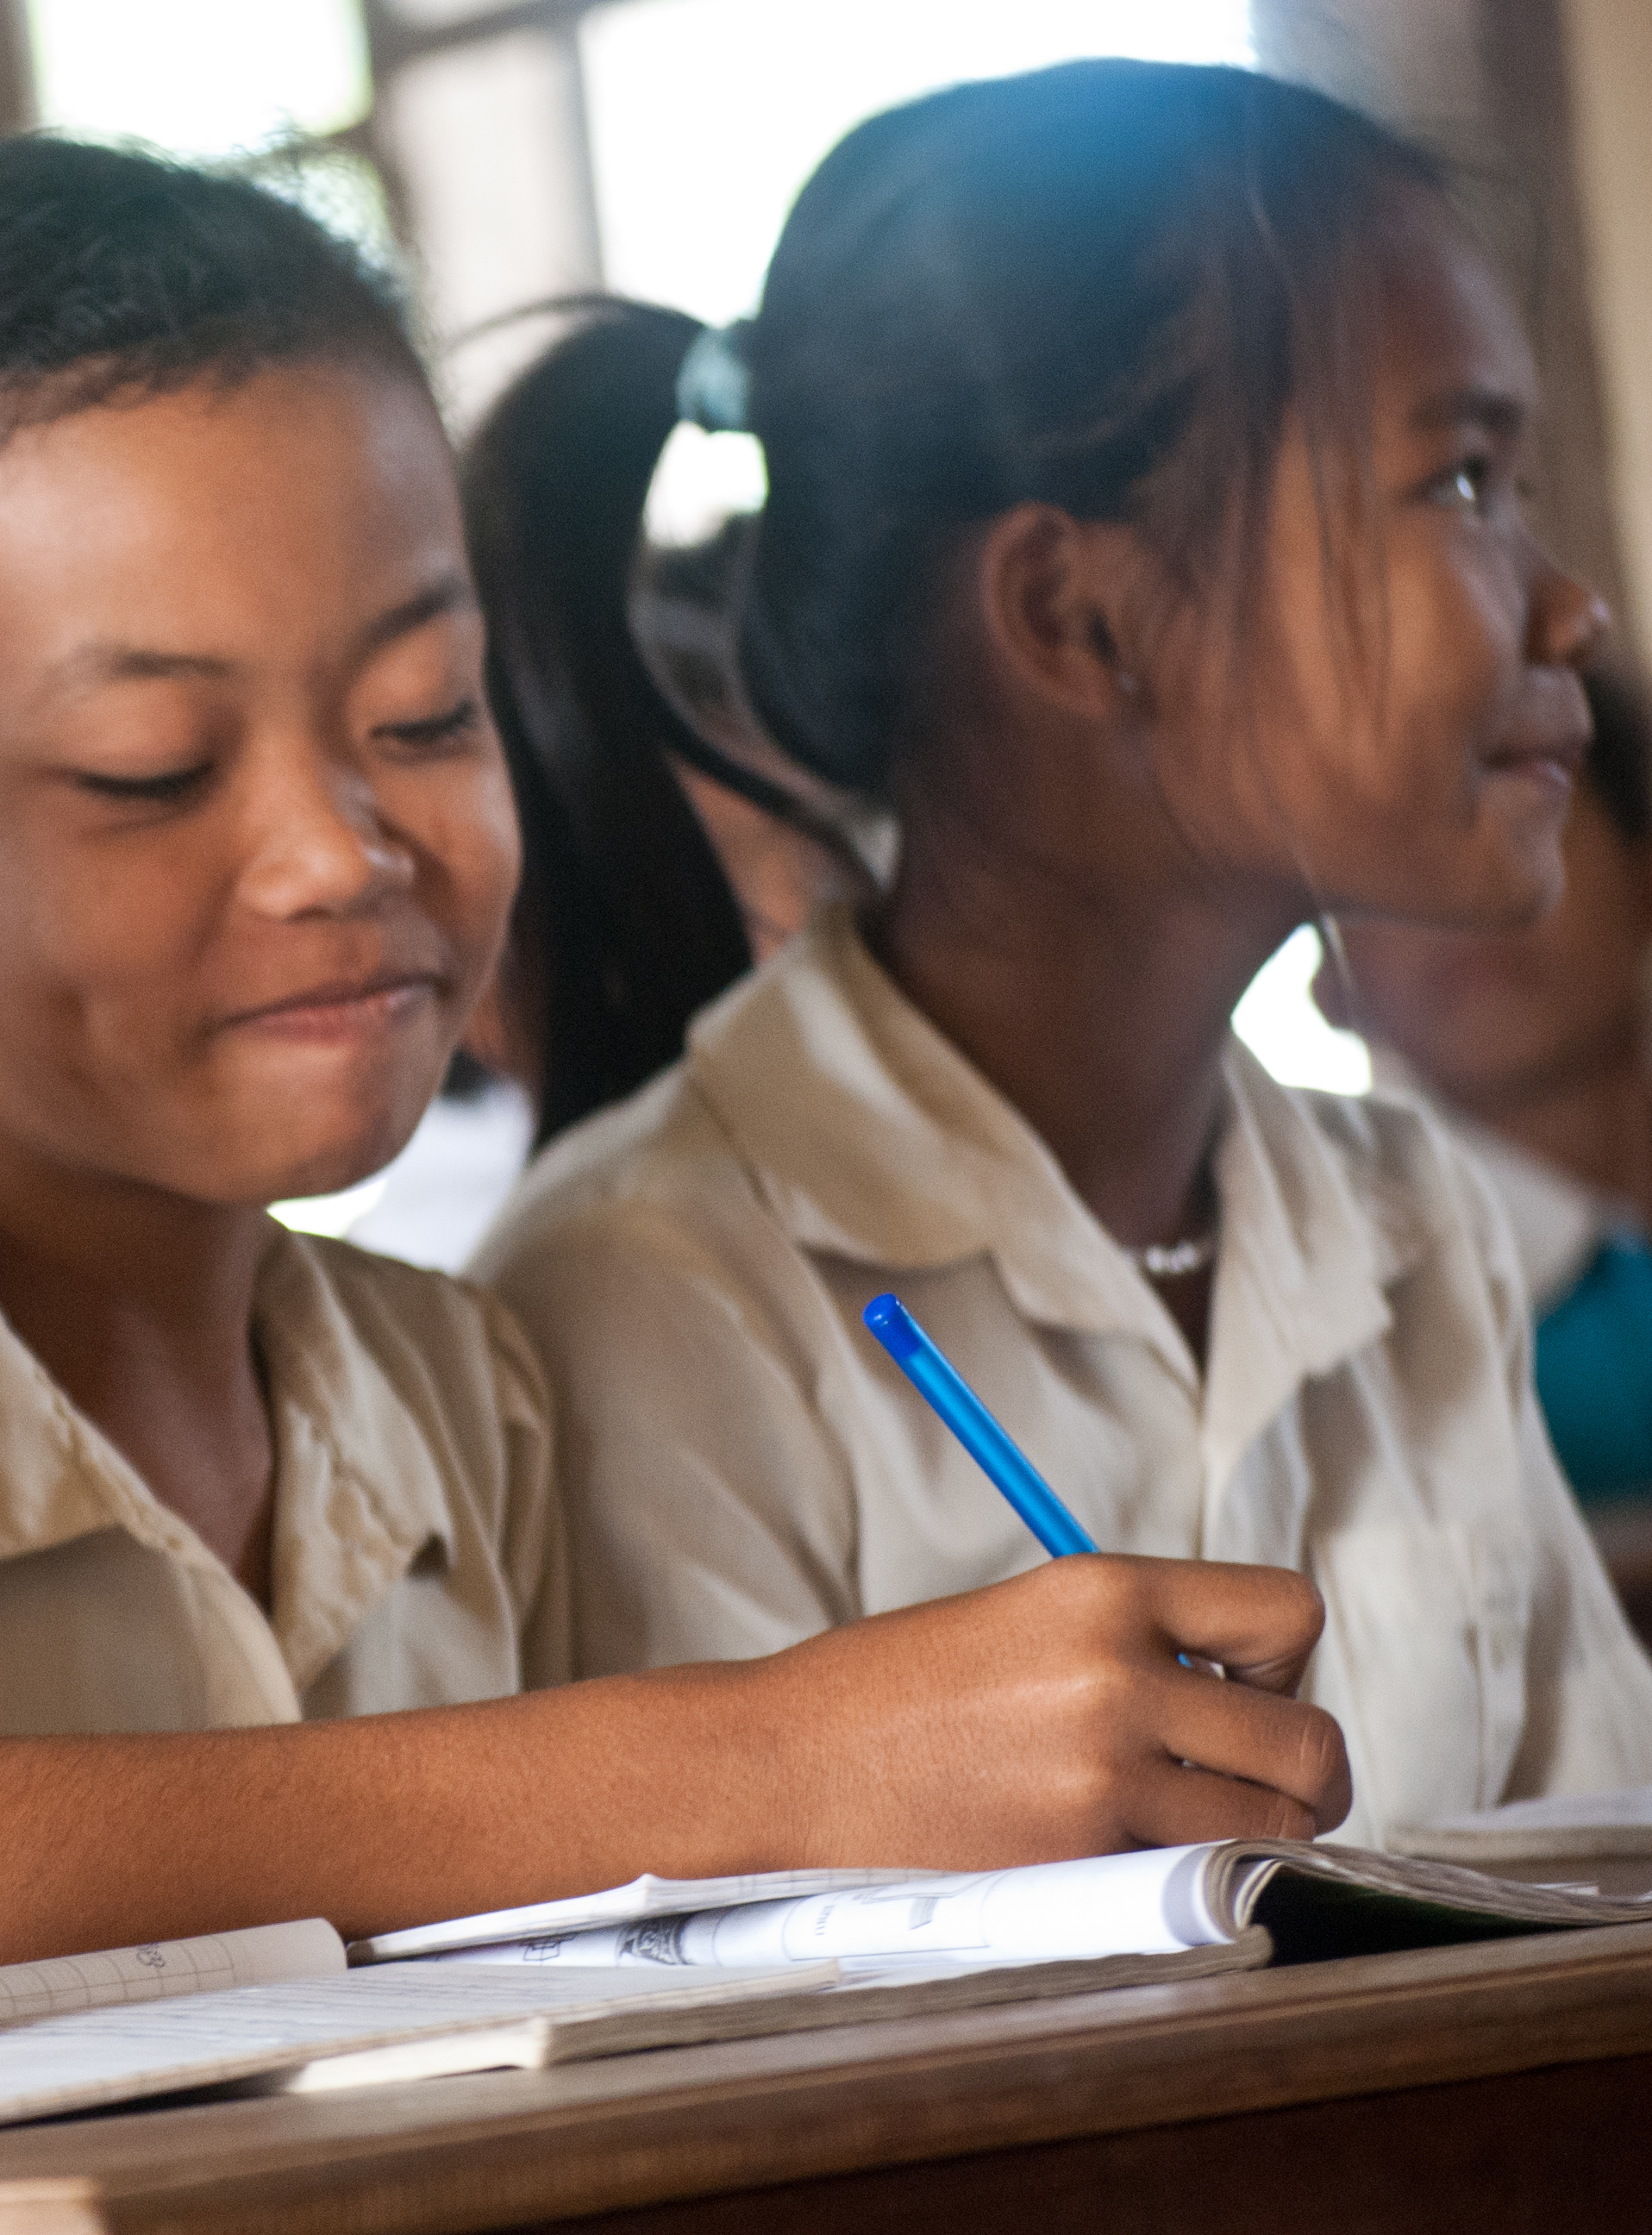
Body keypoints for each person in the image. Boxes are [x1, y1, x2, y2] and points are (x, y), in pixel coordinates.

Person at [0, 136, 1349, 1988]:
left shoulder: (459, 1399)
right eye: (153, 772)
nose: (340, 852)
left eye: (423, 716)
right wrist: (749, 1762)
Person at [461, 61, 1652, 1848]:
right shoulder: (659, 1305)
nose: (1574, 606)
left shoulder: (1413, 1226)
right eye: (1462, 481)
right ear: (1071, 614)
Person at [1324, 669, 1652, 1509]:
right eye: (1388, 864)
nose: (1463, 898)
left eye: (1519, 814)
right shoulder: (1346, 1320)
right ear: (1328, 986)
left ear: (1640, 869)